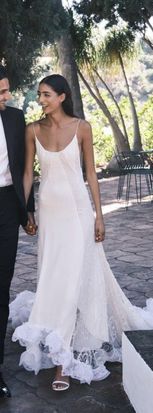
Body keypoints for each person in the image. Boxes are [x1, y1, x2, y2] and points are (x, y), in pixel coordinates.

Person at [10, 74, 153, 392]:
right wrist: (24, 212)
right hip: (49, 213)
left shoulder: (82, 128)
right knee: (52, 276)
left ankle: (63, 362)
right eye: (39, 95)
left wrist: (99, 217)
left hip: (78, 213)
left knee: (73, 279)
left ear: (62, 96)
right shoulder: (32, 130)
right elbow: (28, 173)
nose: (40, 100)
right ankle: (62, 340)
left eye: (45, 95)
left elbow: (91, 175)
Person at [0, 65, 36, 399]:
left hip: (7, 206)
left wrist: (28, 210)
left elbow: (25, 166)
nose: (7, 96)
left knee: (2, 283)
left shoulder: (14, 118)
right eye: (1, 92)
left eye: (7, 89)